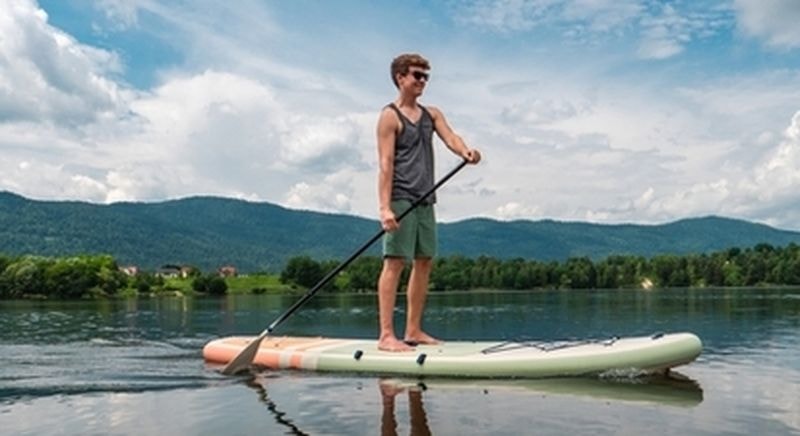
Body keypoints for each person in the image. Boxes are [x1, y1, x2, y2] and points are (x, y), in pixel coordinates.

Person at [376, 53, 481, 352]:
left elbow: (451, 137)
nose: (423, 81)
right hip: (400, 199)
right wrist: (385, 208)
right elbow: (385, 164)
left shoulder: (432, 114)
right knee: (395, 263)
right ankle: (386, 336)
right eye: (417, 75)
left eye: (426, 76)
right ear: (400, 78)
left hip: (425, 200)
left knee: (424, 262)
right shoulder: (389, 116)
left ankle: (413, 330)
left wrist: (466, 152)